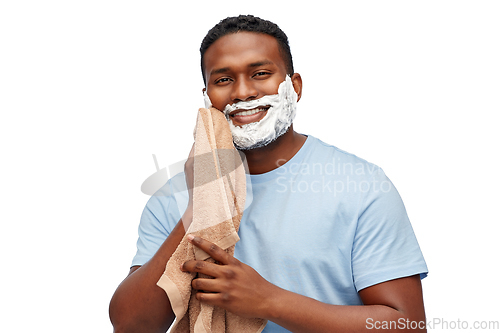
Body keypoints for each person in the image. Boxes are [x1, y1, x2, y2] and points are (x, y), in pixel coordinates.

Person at [109, 15, 428, 333]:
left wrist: (268, 301)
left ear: (294, 86)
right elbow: (131, 325)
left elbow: (408, 325)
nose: (243, 92)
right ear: (206, 96)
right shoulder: (174, 196)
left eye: (260, 74)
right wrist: (200, 205)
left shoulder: (362, 186)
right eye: (223, 80)